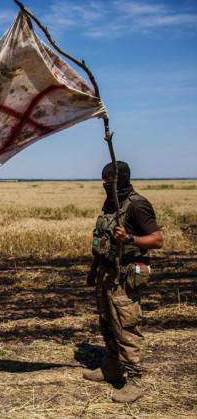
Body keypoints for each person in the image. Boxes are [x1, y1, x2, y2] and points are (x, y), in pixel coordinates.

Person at [84, 161, 163, 403]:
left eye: (108, 180)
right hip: (106, 274)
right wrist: (93, 270)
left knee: (126, 326)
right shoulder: (110, 205)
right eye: (103, 179)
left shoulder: (137, 205)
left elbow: (157, 240)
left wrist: (129, 238)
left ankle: (135, 380)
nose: (104, 184)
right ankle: (111, 366)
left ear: (119, 180)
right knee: (107, 321)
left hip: (125, 277)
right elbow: (102, 243)